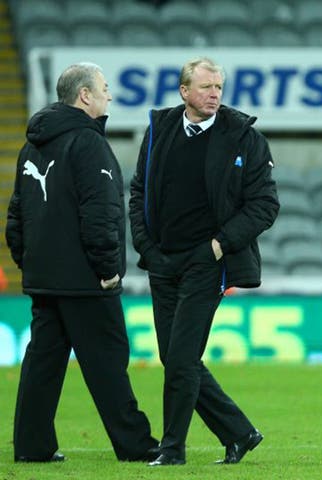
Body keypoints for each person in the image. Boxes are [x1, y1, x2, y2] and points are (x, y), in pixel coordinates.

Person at [5, 63, 159, 463]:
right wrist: (108, 268)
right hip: (85, 277)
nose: (109, 95)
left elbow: (17, 214)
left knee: (43, 361)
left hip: (44, 276)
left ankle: (32, 446)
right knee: (108, 360)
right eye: (104, 89)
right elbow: (101, 212)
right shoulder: (88, 143)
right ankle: (136, 445)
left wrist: (29, 262)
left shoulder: (32, 144)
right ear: (85, 96)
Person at [129, 57, 279, 466]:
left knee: (179, 359)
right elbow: (139, 192)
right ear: (183, 91)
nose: (214, 94)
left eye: (219, 87)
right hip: (162, 259)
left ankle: (172, 450)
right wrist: (145, 246)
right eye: (206, 87)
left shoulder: (244, 138)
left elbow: (265, 205)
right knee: (179, 359)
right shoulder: (159, 131)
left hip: (207, 262)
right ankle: (238, 432)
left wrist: (218, 245)